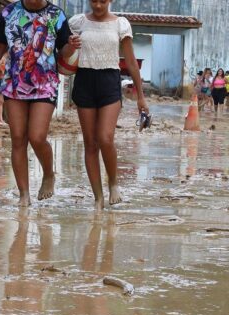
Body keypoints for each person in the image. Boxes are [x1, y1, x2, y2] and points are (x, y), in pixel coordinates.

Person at [0, 0, 80, 207]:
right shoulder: (9, 12)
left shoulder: (56, 15)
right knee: (18, 138)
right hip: (14, 83)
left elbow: (63, 53)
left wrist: (71, 45)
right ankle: (24, 195)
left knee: (37, 137)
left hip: (45, 84)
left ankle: (48, 174)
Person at [69, 0, 147, 208]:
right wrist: (69, 45)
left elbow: (131, 62)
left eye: (103, 1)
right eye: (94, 1)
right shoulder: (77, 23)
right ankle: (98, 197)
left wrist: (140, 96)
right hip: (84, 81)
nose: (98, 5)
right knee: (90, 143)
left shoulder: (121, 24)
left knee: (105, 138)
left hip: (110, 81)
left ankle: (113, 183)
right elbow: (64, 51)